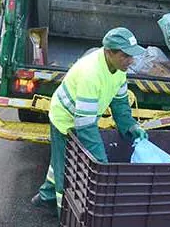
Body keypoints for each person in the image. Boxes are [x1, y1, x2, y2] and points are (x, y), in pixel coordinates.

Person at [31, 27, 148, 216]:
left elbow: (120, 105)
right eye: (126, 55)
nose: (131, 61)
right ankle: (65, 213)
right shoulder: (91, 73)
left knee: (61, 159)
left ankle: (45, 195)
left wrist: (132, 127)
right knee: (65, 171)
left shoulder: (120, 70)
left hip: (83, 117)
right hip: (65, 118)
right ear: (109, 52)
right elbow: (84, 125)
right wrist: (101, 163)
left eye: (132, 55)